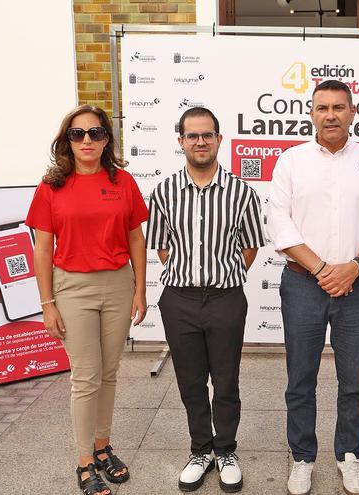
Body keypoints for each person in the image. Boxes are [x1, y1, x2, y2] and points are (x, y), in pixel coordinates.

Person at [268, 79, 359, 495]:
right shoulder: (291, 162)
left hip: (357, 285)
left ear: (353, 112)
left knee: (354, 379)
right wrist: (324, 268)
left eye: (338, 107)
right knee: (300, 378)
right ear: (311, 113)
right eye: (322, 108)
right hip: (303, 284)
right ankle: (302, 457)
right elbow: (280, 224)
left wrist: (355, 267)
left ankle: (348, 456)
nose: (330, 115)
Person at [25, 105, 148, 495]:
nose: (87, 141)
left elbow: (135, 239)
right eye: (78, 135)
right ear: (67, 141)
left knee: (109, 372)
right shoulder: (52, 186)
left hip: (117, 284)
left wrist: (140, 289)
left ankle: (102, 446)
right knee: (85, 376)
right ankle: (83, 462)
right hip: (72, 287)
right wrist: (47, 303)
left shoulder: (123, 181)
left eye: (95, 133)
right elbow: (42, 250)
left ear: (107, 139)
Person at [148, 107, 265, 493]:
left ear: (219, 139)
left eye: (207, 135)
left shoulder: (242, 192)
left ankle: (226, 450)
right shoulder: (163, 192)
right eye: (192, 135)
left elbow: (249, 247)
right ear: (180, 140)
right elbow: (162, 248)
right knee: (190, 381)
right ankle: (201, 450)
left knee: (226, 380)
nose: (200, 141)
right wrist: (190, 275)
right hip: (178, 299)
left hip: (226, 298)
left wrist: (220, 274)